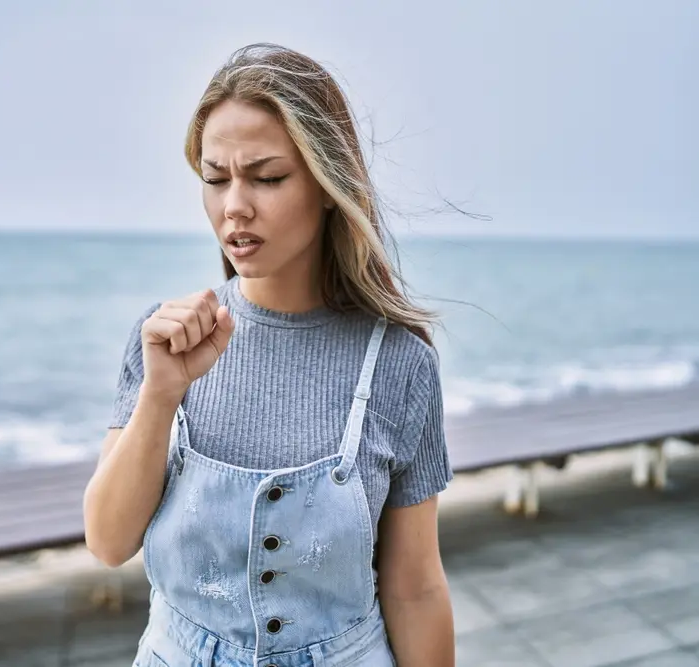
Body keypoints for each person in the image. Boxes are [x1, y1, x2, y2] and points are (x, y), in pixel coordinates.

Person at [83, 42, 455, 667]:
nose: (234, 206)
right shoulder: (163, 341)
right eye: (215, 178)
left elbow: (414, 588)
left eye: (267, 177)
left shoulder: (399, 366)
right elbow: (108, 541)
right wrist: (160, 395)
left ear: (328, 184)